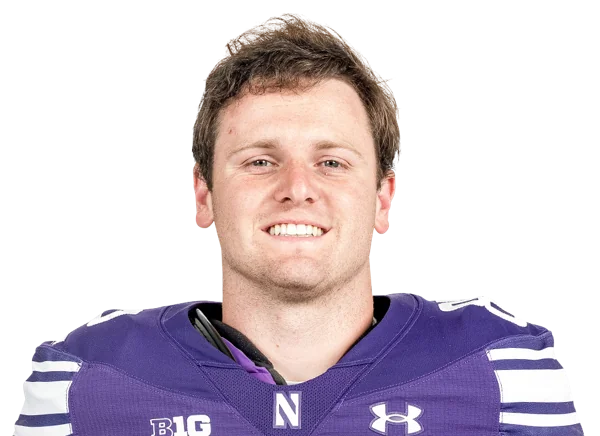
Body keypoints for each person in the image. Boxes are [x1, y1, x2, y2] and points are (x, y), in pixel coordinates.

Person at [15, 12, 581, 435]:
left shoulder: (498, 368)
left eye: (331, 162)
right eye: (260, 161)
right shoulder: (84, 380)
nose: (297, 188)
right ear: (203, 196)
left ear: (383, 199)